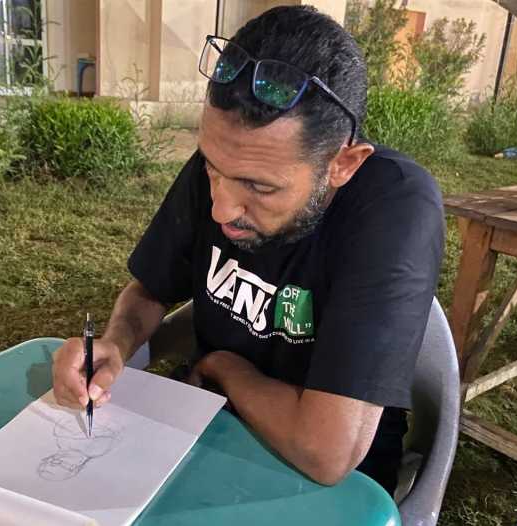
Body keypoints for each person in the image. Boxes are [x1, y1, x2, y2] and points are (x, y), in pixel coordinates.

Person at [52, 5, 444, 495]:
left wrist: (226, 367)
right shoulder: (232, 159)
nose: (220, 208)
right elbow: (151, 289)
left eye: (258, 187)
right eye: (211, 169)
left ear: (342, 165)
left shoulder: (395, 205)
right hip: (206, 419)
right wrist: (115, 343)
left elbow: (326, 452)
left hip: (319, 486)